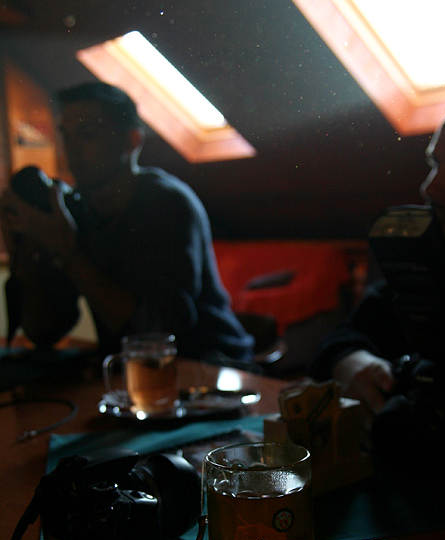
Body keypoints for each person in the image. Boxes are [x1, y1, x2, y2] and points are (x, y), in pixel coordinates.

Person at [0, 82, 254, 364]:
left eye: (87, 134)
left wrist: (67, 253)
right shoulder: (77, 211)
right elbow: (45, 332)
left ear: (131, 140)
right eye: (65, 136)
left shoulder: (166, 203)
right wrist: (27, 251)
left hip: (210, 366)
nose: (71, 149)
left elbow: (155, 331)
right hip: (129, 372)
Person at [310, 88, 445, 463]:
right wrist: (351, 361)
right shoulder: (442, 259)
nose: (430, 188)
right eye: (434, 164)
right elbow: (343, 337)